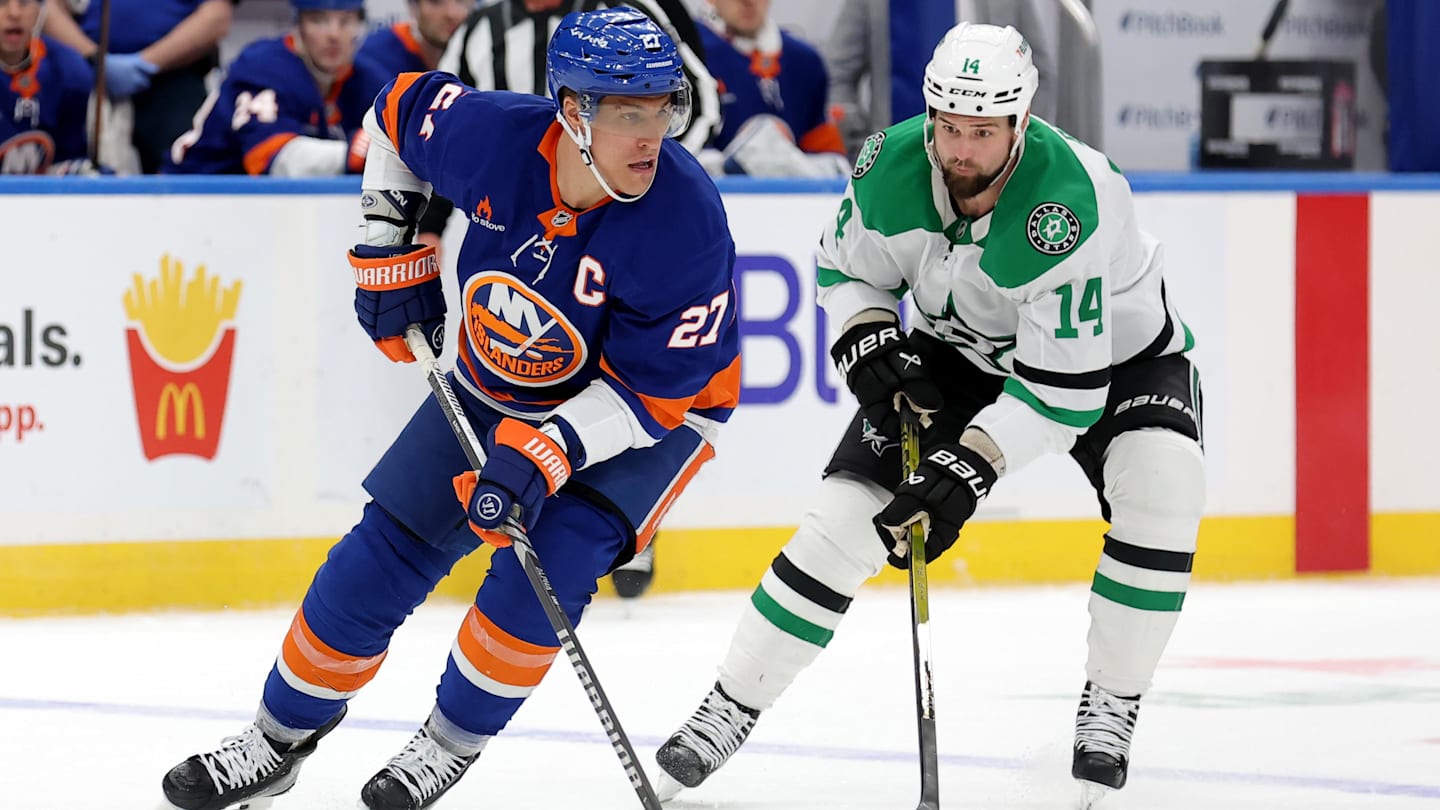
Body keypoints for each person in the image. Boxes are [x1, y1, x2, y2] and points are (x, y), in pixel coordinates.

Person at [160, 8, 739, 810]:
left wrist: (549, 449)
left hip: (648, 417)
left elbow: (655, 393)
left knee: (539, 580)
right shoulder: (492, 137)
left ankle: (447, 745)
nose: (652, 135)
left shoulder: (686, 220)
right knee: (377, 558)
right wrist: (388, 243)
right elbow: (392, 114)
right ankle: (276, 738)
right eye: (628, 112)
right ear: (572, 111)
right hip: (501, 376)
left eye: (662, 109)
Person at [656, 21, 1203, 810]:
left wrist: (970, 464)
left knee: (1164, 486)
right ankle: (728, 705)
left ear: (1020, 123)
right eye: (950, 126)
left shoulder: (1071, 201)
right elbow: (845, 268)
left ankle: (1113, 701)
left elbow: (1064, 393)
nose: (961, 150)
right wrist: (864, 332)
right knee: (843, 520)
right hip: (963, 352)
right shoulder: (890, 164)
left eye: (983, 131)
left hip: (1115, 363)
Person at [418, 0, 724, 598]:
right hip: (525, 228)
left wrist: (642, 165)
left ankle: (595, 511)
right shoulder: (484, 30)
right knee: (523, 368)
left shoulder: (639, 14)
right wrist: (425, 224)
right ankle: (506, 508)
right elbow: (453, 133)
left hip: (630, 227)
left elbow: (700, 104)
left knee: (615, 374)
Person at [164, 0, 387, 175]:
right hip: (196, 190)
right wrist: (352, 152)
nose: (334, 35)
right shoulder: (264, 66)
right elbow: (272, 160)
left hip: (275, 204)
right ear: (298, 26)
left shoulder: (368, 79)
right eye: (319, 21)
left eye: (346, 22)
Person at [42, 0, 235, 173]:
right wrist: (95, 60)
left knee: (184, 175)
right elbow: (44, 7)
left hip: (175, 82)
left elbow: (216, 15)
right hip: (84, 79)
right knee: (85, 177)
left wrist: (147, 63)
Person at [693, 0, 847, 178]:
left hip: (791, 201)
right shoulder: (689, 54)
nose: (748, 2)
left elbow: (827, 157)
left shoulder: (804, 60)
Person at [0, 0, 101, 175]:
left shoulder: (69, 71)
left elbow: (69, 158)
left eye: (24, 2)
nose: (14, 13)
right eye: (1, 3)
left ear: (40, 11)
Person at [356, 0, 470, 77]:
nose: (452, 13)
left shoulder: (482, 51)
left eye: (461, 0)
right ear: (413, 6)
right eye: (436, 1)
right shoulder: (374, 57)